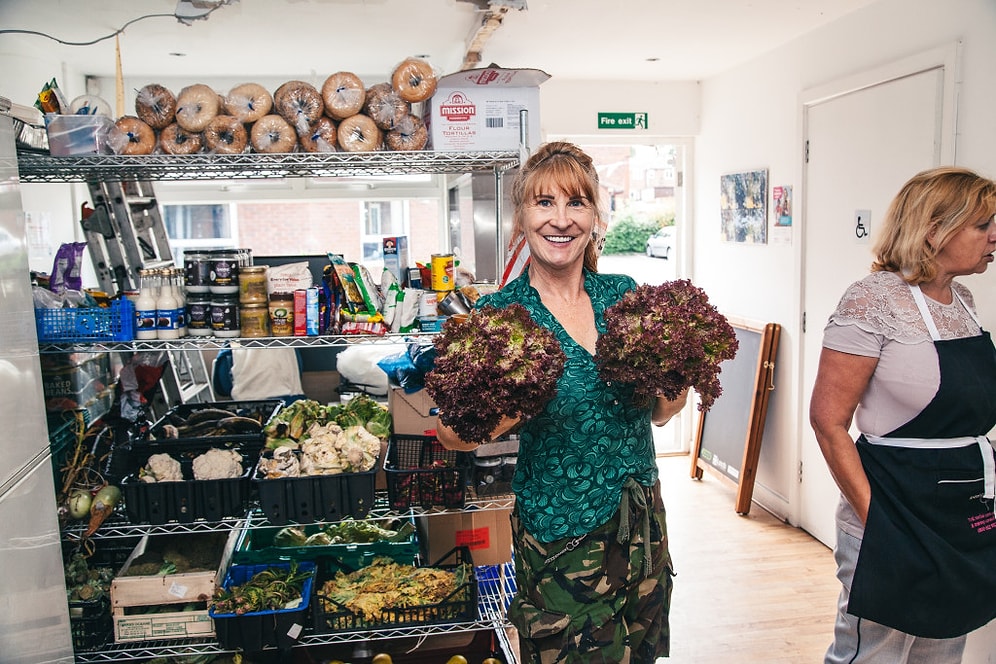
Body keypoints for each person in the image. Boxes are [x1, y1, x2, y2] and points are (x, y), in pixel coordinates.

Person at [436, 141, 688, 663]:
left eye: (576, 203)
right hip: (561, 546)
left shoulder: (622, 295)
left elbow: (661, 413)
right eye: (544, 202)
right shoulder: (503, 315)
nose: (561, 219)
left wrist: (678, 378)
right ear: (521, 218)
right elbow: (450, 431)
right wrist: (504, 413)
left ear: (595, 218)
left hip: (641, 530)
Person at [809, 166, 996, 663]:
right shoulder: (872, 300)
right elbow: (828, 422)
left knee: (941, 647)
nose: (994, 235)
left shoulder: (965, 300)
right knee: (873, 653)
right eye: (983, 224)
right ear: (933, 229)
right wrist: (879, 523)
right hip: (894, 506)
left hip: (960, 511)